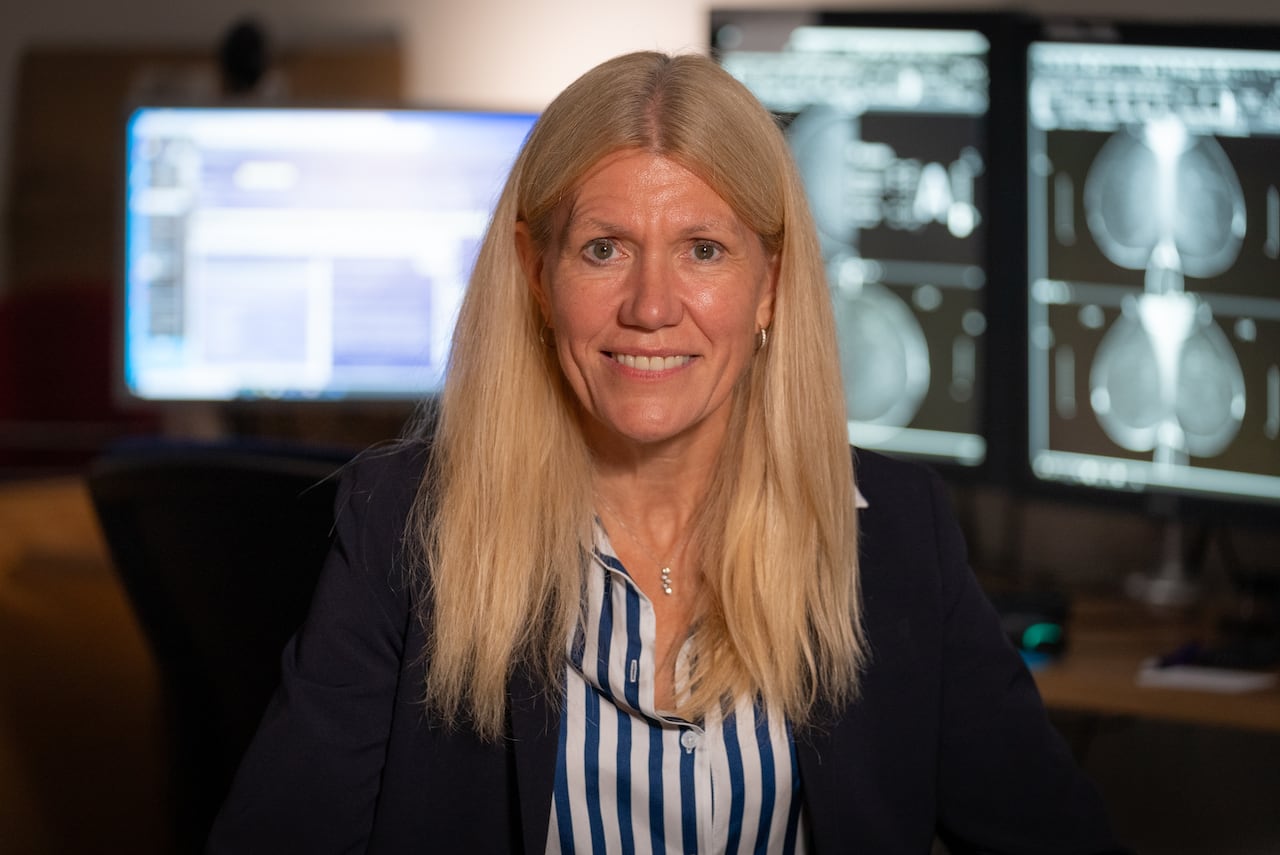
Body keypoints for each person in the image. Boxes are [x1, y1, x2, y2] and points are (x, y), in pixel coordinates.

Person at [207, 51, 1128, 854]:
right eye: (604, 249)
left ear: (770, 283)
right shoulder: (403, 525)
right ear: (536, 274)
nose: (652, 307)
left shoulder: (897, 535)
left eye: (703, 250)